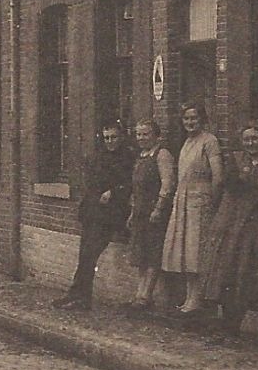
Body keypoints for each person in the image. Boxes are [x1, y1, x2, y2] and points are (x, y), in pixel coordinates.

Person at [198, 122, 258, 336]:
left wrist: (255, 182)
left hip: (256, 223)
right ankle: (224, 320)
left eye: (255, 139)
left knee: (245, 271)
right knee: (226, 269)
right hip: (233, 222)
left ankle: (234, 323)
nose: (251, 143)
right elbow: (231, 183)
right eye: (247, 139)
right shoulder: (236, 159)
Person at [54, 123, 135, 310]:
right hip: (94, 212)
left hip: (111, 215)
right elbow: (90, 179)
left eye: (113, 137)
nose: (110, 141)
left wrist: (114, 192)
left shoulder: (128, 157)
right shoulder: (99, 156)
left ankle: (80, 296)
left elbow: (130, 182)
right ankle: (77, 294)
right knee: (85, 254)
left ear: (121, 137)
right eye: (106, 138)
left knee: (90, 254)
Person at [161, 102, 225, 314]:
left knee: (197, 250)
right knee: (185, 250)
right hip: (184, 200)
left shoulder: (210, 141)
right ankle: (190, 297)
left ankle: (197, 299)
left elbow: (217, 176)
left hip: (201, 201)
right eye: (186, 119)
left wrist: (213, 203)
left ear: (202, 120)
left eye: (194, 118)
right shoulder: (187, 142)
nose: (189, 122)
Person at [126, 120, 178, 310]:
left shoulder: (162, 155)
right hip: (140, 211)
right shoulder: (141, 156)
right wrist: (132, 211)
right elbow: (136, 188)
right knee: (141, 254)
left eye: (146, 134)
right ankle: (140, 292)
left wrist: (159, 208)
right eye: (139, 134)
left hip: (154, 212)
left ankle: (146, 295)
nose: (141, 138)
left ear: (156, 135)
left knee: (153, 253)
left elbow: (167, 184)